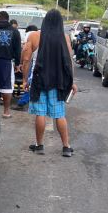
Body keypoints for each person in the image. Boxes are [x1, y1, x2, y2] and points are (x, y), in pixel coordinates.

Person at [26, 9, 77, 157]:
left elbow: (26, 59)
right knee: (59, 114)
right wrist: (72, 82)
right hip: (58, 81)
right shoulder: (65, 37)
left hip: (40, 80)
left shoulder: (35, 36)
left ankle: (39, 145)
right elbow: (68, 62)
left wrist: (24, 79)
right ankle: (66, 147)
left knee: (40, 113)